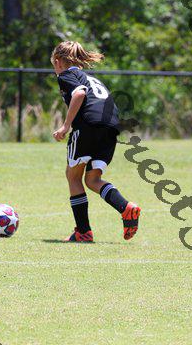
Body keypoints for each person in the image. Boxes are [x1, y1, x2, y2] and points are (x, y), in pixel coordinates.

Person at [51, 41, 141, 242]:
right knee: (92, 180)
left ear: (57, 61)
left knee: (73, 176)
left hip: (88, 126)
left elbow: (79, 93)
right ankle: (126, 208)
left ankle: (83, 232)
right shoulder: (91, 78)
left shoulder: (66, 75)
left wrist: (65, 126)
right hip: (111, 128)